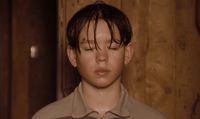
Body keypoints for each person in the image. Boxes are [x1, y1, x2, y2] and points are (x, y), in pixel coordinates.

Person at [32, 1, 167, 119]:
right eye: (90, 48)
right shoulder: (46, 117)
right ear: (73, 56)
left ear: (127, 53)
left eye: (113, 47)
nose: (102, 58)